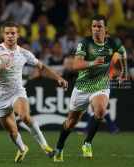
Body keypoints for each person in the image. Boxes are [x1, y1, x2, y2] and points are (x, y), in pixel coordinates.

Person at [0, 21, 68, 163]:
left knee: (25, 116)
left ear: (18, 34)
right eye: (7, 33)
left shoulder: (23, 53)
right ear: (3, 35)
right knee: (12, 132)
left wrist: (58, 78)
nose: (10, 36)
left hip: (17, 92)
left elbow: (42, 67)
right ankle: (22, 149)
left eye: (13, 33)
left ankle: (45, 146)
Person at [53, 14, 128, 162]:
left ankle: (87, 143)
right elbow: (75, 65)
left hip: (101, 86)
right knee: (71, 122)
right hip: (82, 87)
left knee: (100, 110)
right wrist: (93, 63)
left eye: (99, 26)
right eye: (94, 26)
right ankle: (60, 146)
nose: (96, 29)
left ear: (105, 28)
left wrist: (124, 70)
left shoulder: (114, 42)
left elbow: (122, 53)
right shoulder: (85, 42)